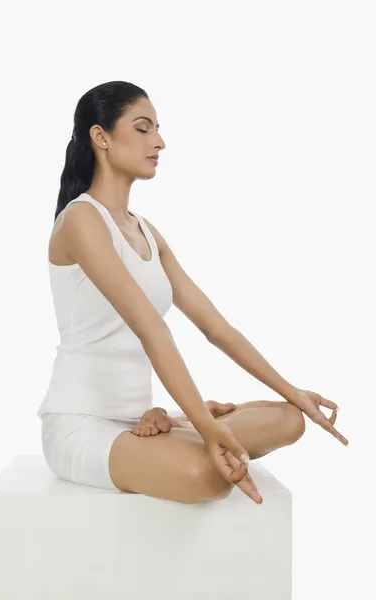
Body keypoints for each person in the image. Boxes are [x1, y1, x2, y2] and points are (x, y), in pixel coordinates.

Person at [37, 81, 348, 505]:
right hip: (82, 427)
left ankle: (176, 422)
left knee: (290, 420)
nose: (159, 142)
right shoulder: (81, 222)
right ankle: (187, 425)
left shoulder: (147, 231)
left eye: (158, 130)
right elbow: (153, 330)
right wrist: (205, 426)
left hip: (139, 422)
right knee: (206, 474)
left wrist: (293, 391)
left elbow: (217, 328)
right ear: (101, 136)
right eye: (144, 128)